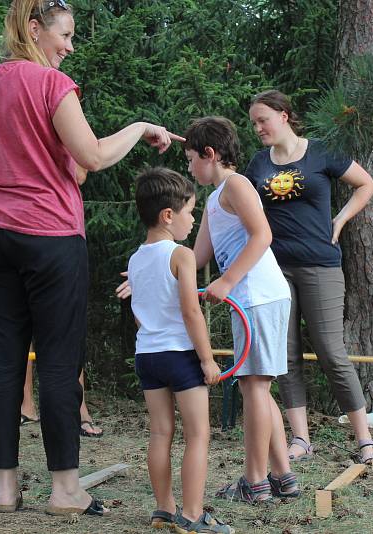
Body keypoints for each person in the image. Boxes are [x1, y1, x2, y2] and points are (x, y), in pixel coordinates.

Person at [0, 0, 181, 516]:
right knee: (60, 362)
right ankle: (65, 490)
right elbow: (94, 157)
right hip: (49, 236)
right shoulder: (50, 86)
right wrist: (140, 126)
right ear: (34, 30)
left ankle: (5, 489)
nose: (69, 46)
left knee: (3, 360)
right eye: (64, 35)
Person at [245, 90, 373, 465]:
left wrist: (340, 219)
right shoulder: (258, 165)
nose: (258, 128)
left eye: (263, 120)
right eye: (254, 123)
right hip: (274, 270)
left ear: (284, 116)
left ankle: (366, 440)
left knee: (331, 351)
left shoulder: (321, 151)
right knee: (286, 356)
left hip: (321, 265)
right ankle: (301, 439)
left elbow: (366, 184)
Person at [185, 117, 299, 504]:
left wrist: (228, 281)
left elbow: (262, 234)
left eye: (190, 160)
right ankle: (282, 476)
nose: (188, 168)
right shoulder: (214, 197)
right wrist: (152, 267)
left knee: (255, 386)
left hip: (257, 294)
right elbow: (196, 256)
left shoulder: (237, 184)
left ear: (209, 154)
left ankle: (255, 481)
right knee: (258, 386)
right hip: (251, 297)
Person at [127, 168, 232, 533]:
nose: (193, 220)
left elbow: (141, 316)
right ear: (168, 215)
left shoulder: (136, 260)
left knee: (159, 433)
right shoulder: (182, 255)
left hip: (148, 356)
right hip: (180, 356)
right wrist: (206, 359)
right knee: (198, 434)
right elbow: (191, 311)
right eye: (190, 211)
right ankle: (191, 514)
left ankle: (163, 509)